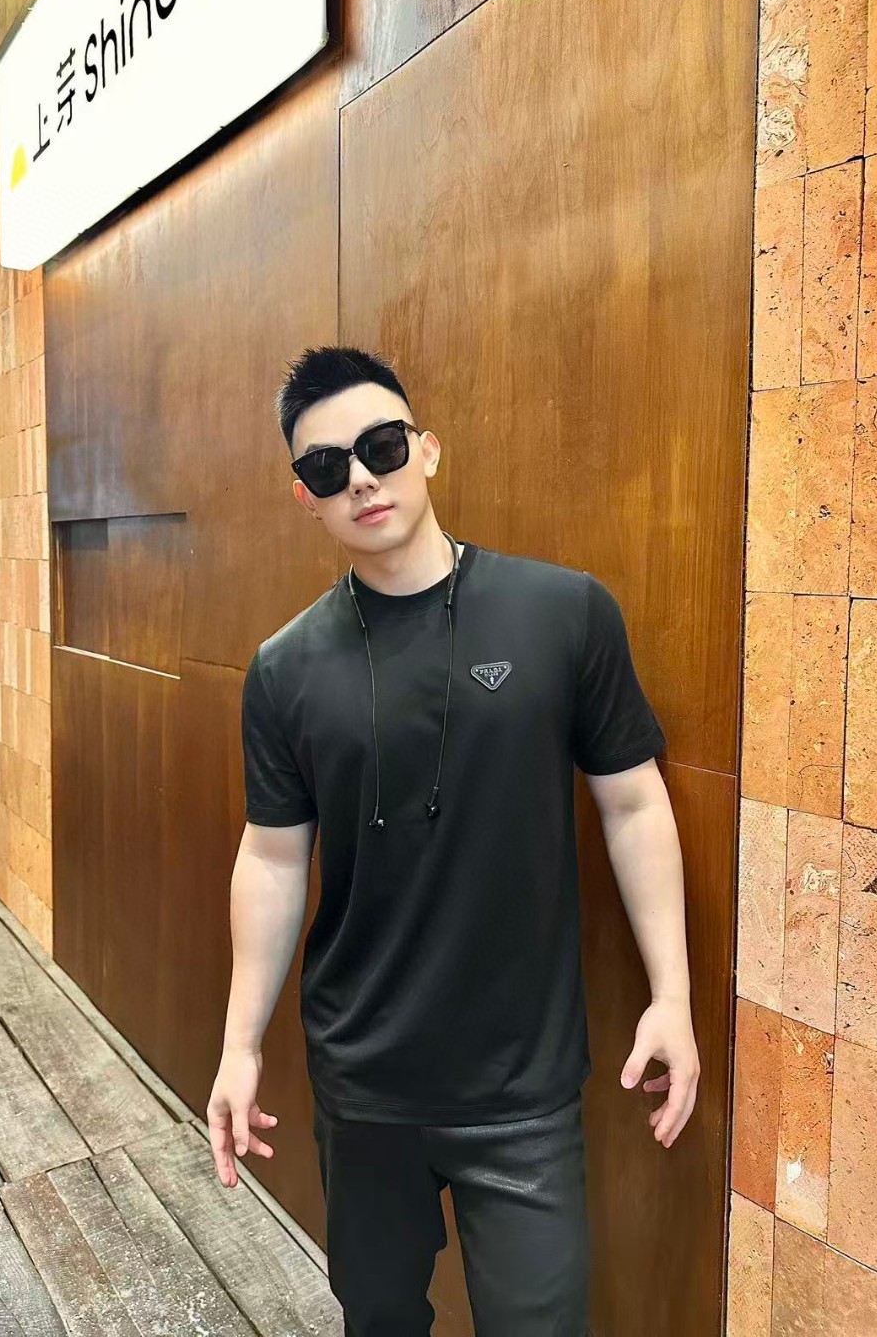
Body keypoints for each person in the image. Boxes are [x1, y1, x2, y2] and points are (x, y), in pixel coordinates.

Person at [207, 346, 700, 1336]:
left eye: (382, 447)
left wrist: (673, 995)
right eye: (327, 467)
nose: (360, 478)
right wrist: (238, 1043)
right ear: (306, 498)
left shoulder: (563, 612)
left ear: (427, 449)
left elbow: (633, 805)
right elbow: (271, 857)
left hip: (522, 1087)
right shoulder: (285, 668)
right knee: (379, 1318)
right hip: (364, 1082)